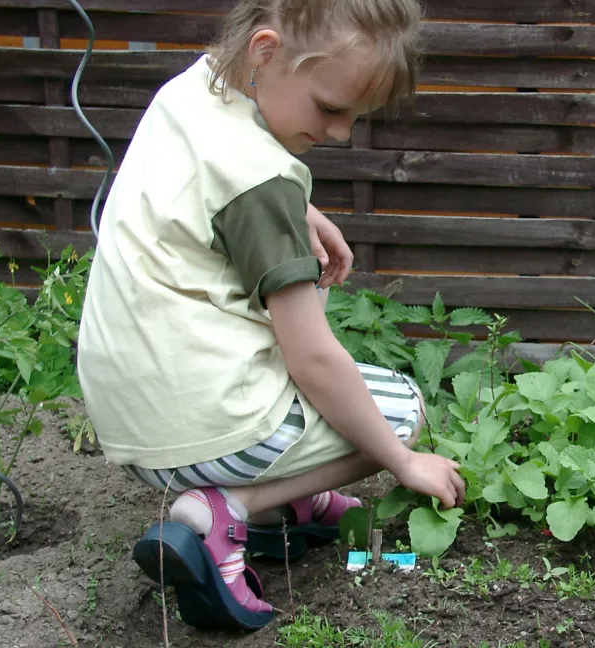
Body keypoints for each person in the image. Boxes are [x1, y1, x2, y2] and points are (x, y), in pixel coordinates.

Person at [75, 0, 465, 631]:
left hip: (130, 412)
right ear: (265, 51)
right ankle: (229, 511)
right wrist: (401, 460)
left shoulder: (193, 88)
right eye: (332, 109)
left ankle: (294, 504)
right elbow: (311, 358)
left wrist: (299, 215)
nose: (340, 133)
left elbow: (203, 186)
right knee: (399, 411)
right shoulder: (263, 182)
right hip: (200, 430)